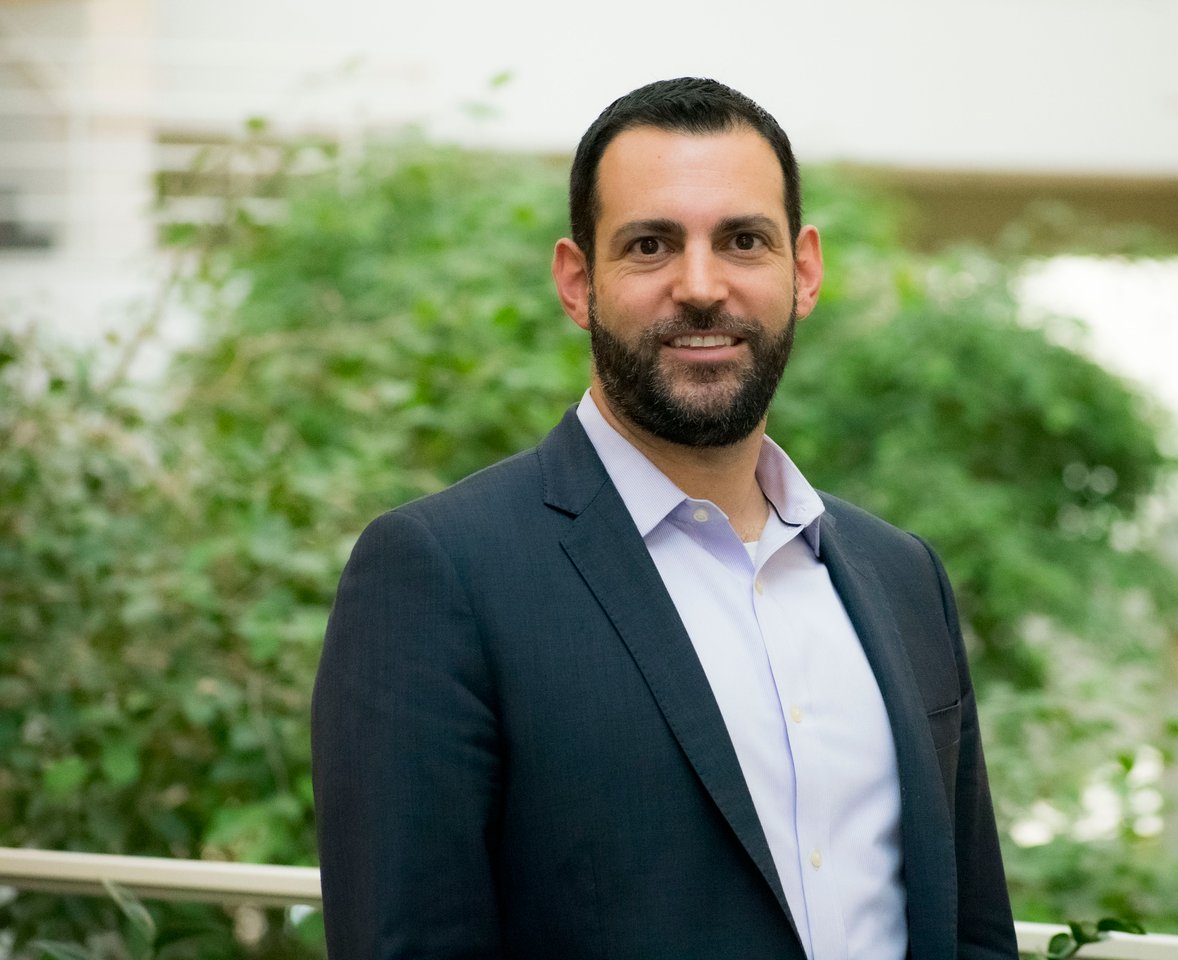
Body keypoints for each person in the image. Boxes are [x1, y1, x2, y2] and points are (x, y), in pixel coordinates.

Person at [312, 77, 1017, 960]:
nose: (700, 285)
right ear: (579, 283)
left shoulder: (903, 576)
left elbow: (973, 931)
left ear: (802, 272)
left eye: (743, 241)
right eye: (650, 245)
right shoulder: (440, 573)